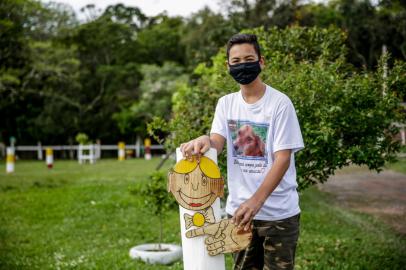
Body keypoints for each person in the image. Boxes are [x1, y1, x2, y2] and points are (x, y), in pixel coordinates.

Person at [180, 33, 304, 270]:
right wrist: (204, 139)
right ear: (228, 66)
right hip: (238, 214)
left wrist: (256, 201)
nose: (242, 65)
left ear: (261, 61)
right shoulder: (226, 103)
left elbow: (283, 159)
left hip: (279, 215)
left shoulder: (280, 103)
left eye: (249, 58)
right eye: (236, 61)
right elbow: (216, 142)